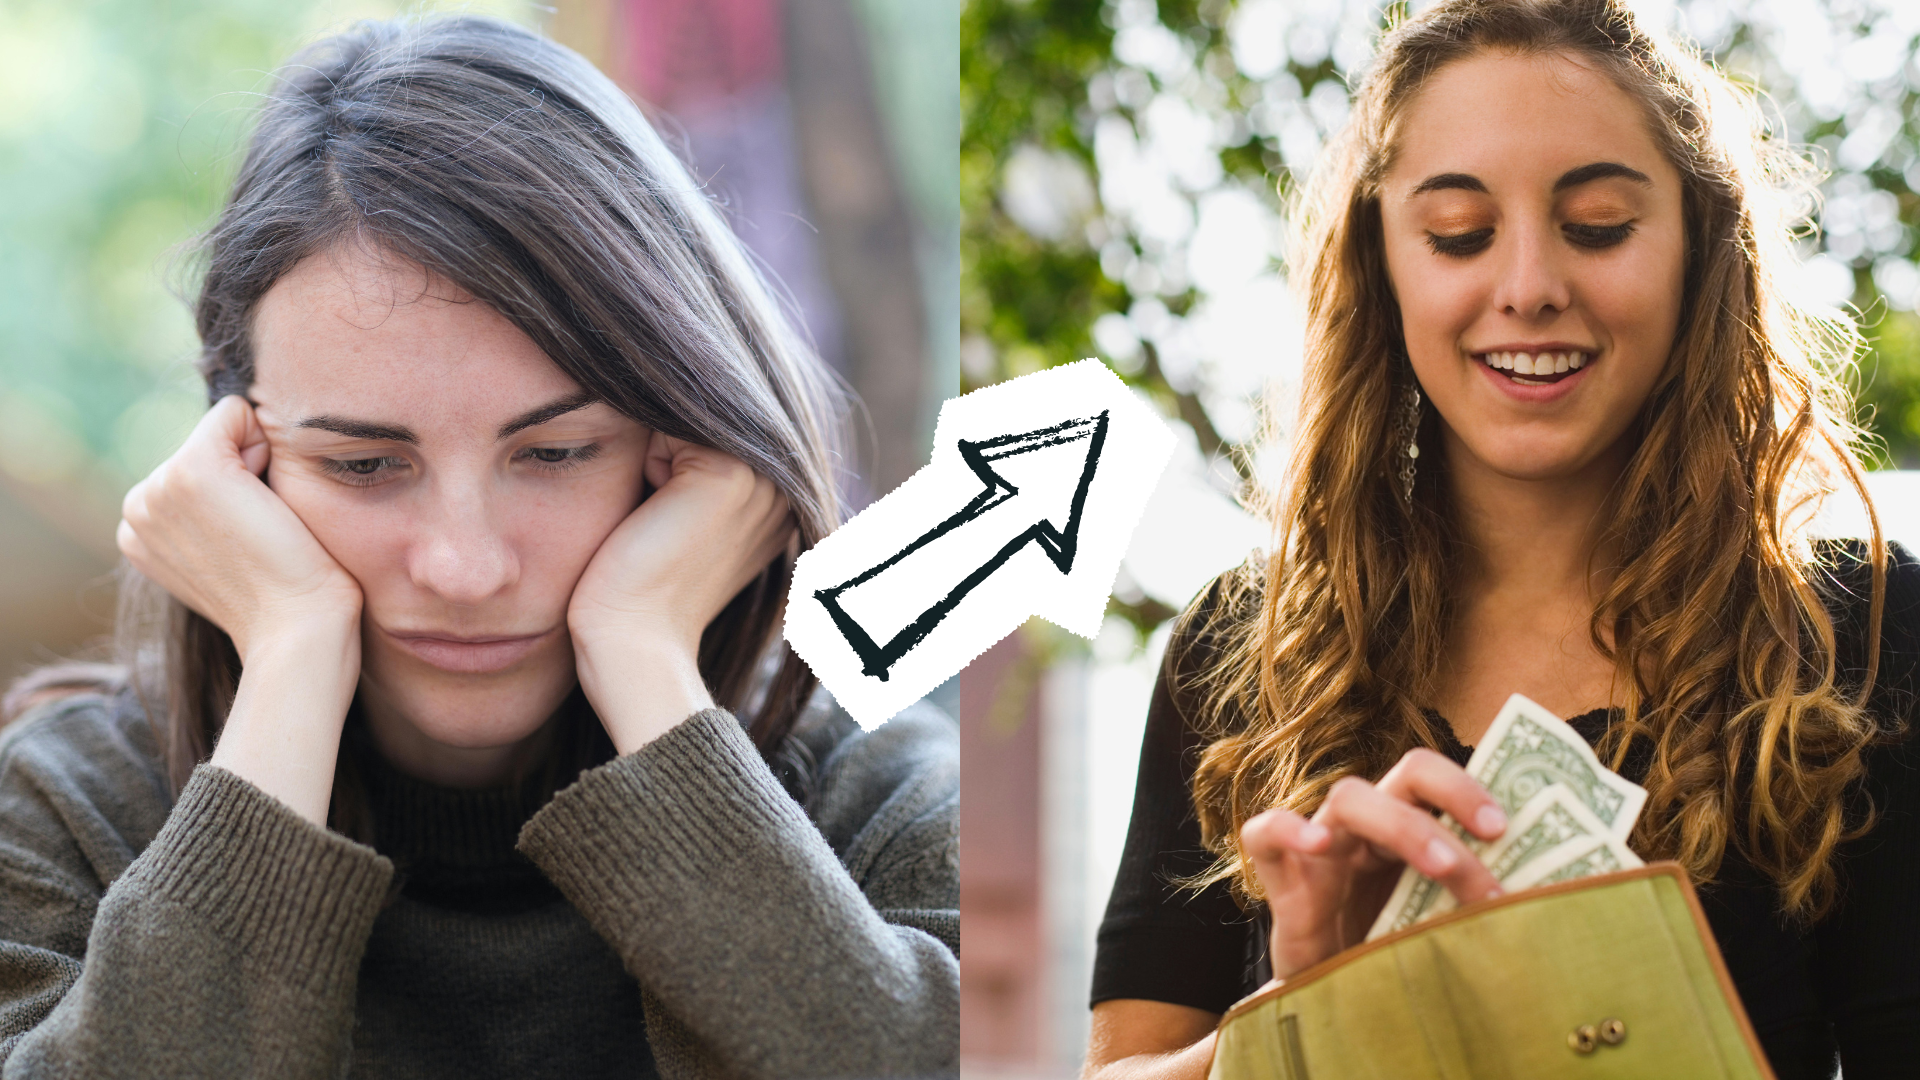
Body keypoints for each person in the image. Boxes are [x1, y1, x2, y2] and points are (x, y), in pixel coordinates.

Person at [0, 15, 956, 1080]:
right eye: (363, 466)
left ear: (684, 447)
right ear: (235, 458)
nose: (465, 568)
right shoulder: (64, 809)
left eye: (554, 453)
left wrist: (641, 653)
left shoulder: (877, 797)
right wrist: (290, 661)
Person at [1084, 2, 1919, 1078]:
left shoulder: (1864, 631)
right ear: (1382, 264)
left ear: (1700, 251)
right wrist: (1308, 1015)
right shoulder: (1245, 645)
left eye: (1601, 225)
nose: (1528, 287)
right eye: (1459, 236)